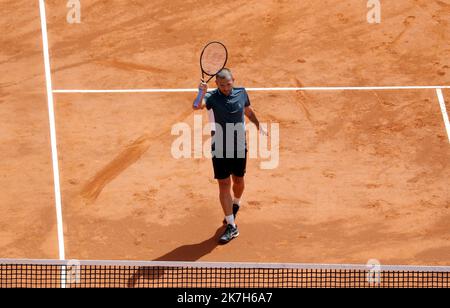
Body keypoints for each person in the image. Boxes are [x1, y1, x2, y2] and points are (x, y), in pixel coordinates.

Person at [192, 68, 266, 244]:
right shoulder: (211, 97)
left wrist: (258, 124)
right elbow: (196, 106)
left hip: (240, 146)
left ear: (234, 80)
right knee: (224, 183)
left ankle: (236, 203)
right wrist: (201, 92)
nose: (225, 88)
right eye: (222, 85)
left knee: (238, 181)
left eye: (228, 84)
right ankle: (231, 225)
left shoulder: (241, 92)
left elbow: (247, 110)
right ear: (216, 84)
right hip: (219, 147)